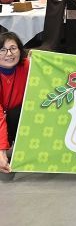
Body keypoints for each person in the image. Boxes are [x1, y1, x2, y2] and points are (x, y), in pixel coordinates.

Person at [0, 31, 29, 173]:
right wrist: (1, 152)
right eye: (2, 50)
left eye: (13, 48)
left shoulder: (28, 66)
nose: (9, 54)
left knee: (17, 112)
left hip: (13, 117)